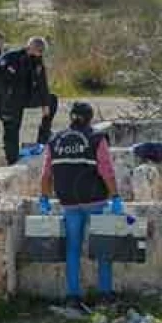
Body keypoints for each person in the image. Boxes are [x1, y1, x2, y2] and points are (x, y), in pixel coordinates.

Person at [39, 102, 124, 310]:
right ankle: (104, 294)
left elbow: (46, 174)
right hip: (95, 200)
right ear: (90, 118)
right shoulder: (96, 139)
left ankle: (73, 296)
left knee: (72, 249)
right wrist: (115, 197)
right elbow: (107, 171)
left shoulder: (55, 140)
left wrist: (44, 198)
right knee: (103, 247)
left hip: (68, 203)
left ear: (71, 117)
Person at [0, 36, 59, 165]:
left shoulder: (37, 61)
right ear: (30, 47)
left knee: (52, 100)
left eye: (42, 51)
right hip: (9, 99)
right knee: (12, 128)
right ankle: (12, 158)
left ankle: (43, 137)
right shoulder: (12, 57)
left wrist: (45, 104)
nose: (40, 53)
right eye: (38, 50)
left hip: (26, 96)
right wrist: (1, 95)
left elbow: (42, 82)